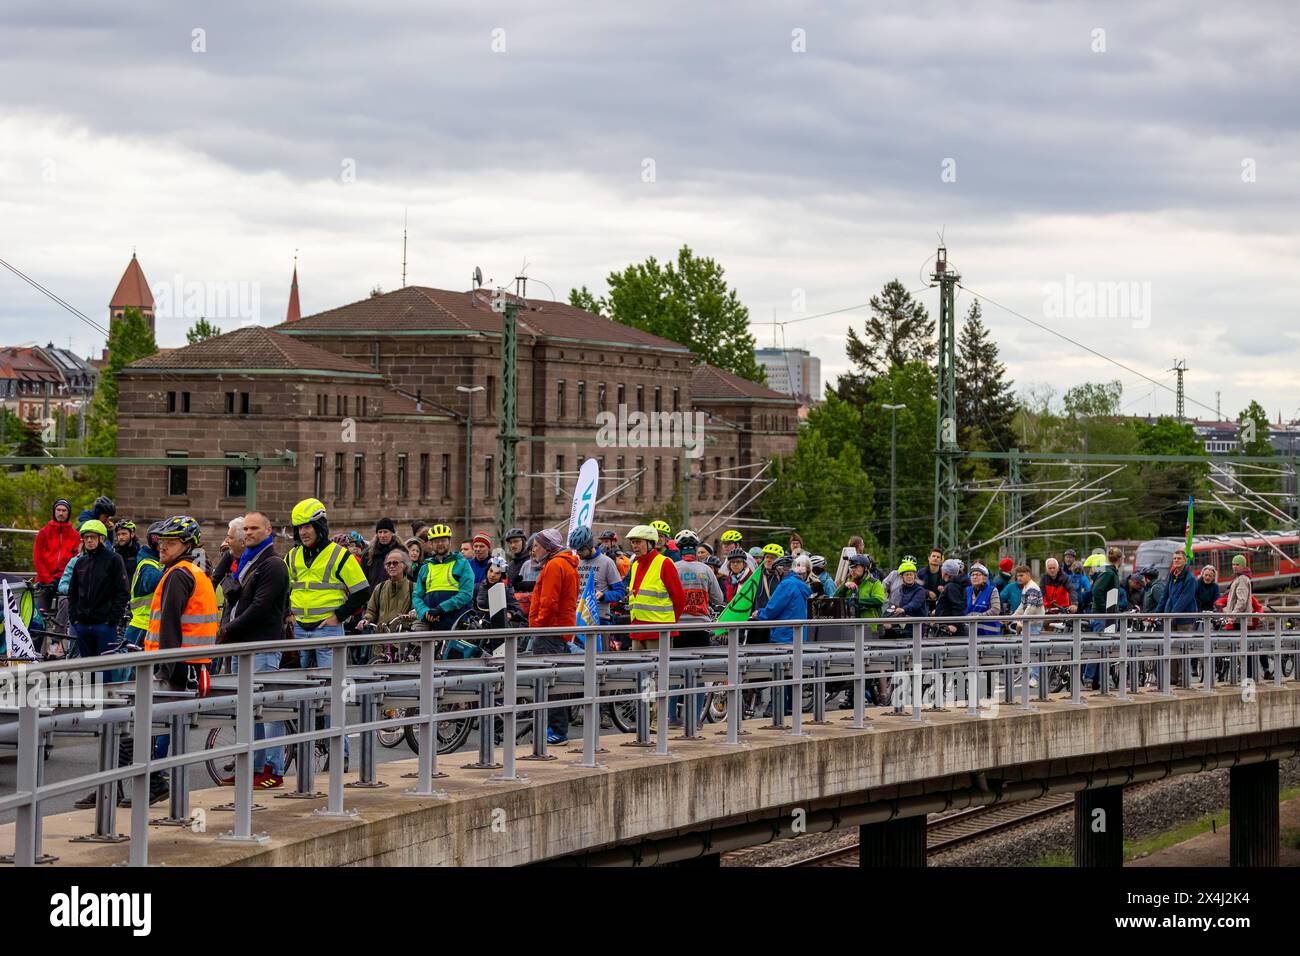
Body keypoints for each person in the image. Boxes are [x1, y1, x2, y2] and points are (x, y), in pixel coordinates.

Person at [218, 510, 291, 788]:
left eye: (254, 529)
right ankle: (252, 766)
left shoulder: (272, 564)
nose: (248, 533)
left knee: (268, 709)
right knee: (248, 711)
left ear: (268, 530)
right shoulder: (247, 561)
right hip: (244, 646)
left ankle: (273, 769)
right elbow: (235, 597)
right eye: (245, 529)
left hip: (261, 644)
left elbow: (260, 608)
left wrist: (229, 629)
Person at [527, 528, 579, 743]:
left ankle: (556, 731)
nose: (533, 551)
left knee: (549, 682)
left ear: (547, 547)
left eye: (536, 546)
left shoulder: (555, 565)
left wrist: (538, 625)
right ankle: (555, 728)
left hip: (549, 631)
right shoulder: (565, 564)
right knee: (555, 681)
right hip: (560, 629)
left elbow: (548, 602)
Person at [66, 519, 129, 664]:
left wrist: (112, 620)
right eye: (86, 537)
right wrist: (74, 618)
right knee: (87, 670)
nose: (88, 540)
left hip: (104, 625)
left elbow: (123, 591)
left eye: (92, 537)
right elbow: (72, 593)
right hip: (82, 624)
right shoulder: (80, 562)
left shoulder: (114, 559)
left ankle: (104, 687)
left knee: (104, 670)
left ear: (102, 538)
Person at [625, 525, 685, 651]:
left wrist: (668, 625)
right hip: (637, 629)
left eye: (638, 542)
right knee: (637, 669)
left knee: (659, 669)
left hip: (659, 631)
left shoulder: (665, 563)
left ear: (650, 543)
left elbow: (679, 598)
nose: (634, 546)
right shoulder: (635, 565)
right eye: (632, 542)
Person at [412, 524, 474, 630]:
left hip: (455, 622)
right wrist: (424, 612)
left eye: (443, 540)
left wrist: (441, 608)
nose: (440, 544)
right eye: (436, 541)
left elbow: (466, 594)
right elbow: (417, 596)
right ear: (431, 544)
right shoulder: (425, 568)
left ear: (449, 542)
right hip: (431, 622)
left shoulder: (462, 564)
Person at [672, 530, 723, 647]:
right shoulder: (706, 569)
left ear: (679, 550)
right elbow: (719, 599)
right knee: (700, 663)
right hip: (701, 626)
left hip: (677, 626)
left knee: (676, 663)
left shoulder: (672, 568)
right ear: (695, 549)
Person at [1154, 550, 1198, 683]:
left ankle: (1182, 678)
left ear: (1185, 561)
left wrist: (1172, 614)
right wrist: (1156, 614)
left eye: (1179, 558)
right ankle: (1172, 678)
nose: (1176, 560)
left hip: (1184, 618)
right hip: (1171, 616)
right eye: (1174, 558)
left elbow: (1185, 598)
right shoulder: (1173, 575)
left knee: (1182, 648)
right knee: (1171, 648)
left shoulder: (1190, 578)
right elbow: (1165, 596)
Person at [572, 525, 626, 628]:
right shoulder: (576, 562)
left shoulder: (607, 562)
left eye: (581, 549)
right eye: (576, 550)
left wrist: (603, 596)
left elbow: (620, 592)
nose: (578, 553)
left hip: (600, 618)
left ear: (589, 545)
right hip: (577, 617)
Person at [123, 521, 165, 654]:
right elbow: (153, 582)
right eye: (159, 539)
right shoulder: (147, 563)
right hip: (142, 626)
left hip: (151, 625)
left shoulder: (159, 562)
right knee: (131, 672)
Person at [33, 497, 79, 618]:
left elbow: (75, 560)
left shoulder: (75, 535)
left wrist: (64, 578)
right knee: (39, 616)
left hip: (64, 579)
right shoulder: (44, 533)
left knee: (66, 613)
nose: (61, 513)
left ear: (68, 513)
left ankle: (58, 637)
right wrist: (48, 579)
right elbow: (38, 559)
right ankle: (38, 636)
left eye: (64, 510)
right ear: (54, 511)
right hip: (44, 580)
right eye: (58, 510)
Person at [362, 545, 415, 630]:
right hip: (380, 638)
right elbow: (371, 611)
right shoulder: (379, 587)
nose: (391, 566)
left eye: (395, 563)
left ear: (404, 565)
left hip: (402, 637)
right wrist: (365, 620)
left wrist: (413, 613)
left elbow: (416, 609)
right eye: (388, 563)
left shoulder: (413, 587)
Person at [748, 543, 785, 644]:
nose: (768, 560)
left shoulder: (782, 578)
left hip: (773, 623)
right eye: (767, 557)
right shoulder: (757, 575)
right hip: (757, 621)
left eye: (772, 558)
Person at [836, 553, 885, 618]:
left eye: (856, 567)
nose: (853, 570)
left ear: (865, 568)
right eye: (851, 567)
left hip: (870, 625)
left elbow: (879, 601)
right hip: (850, 624)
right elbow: (835, 598)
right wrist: (844, 586)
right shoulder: (848, 582)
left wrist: (856, 601)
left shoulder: (875, 583)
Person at [364, 518, 405, 588]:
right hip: (373, 595)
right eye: (380, 532)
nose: (382, 535)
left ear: (392, 533)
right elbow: (363, 577)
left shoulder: (402, 552)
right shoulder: (368, 554)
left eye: (385, 532)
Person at [964, 562, 1002, 634]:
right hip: (971, 633)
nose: (974, 577)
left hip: (989, 634)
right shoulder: (967, 590)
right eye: (972, 575)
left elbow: (995, 610)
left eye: (978, 574)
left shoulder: (992, 590)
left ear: (985, 578)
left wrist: (977, 618)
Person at [933, 558, 967, 632]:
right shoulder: (950, 585)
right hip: (945, 625)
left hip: (950, 628)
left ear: (946, 573)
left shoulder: (952, 587)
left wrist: (955, 624)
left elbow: (957, 606)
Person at [504, 527, 537, 595]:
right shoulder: (511, 564)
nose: (513, 545)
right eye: (510, 542)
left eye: (516, 541)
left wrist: (520, 585)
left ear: (523, 542)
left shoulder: (532, 561)